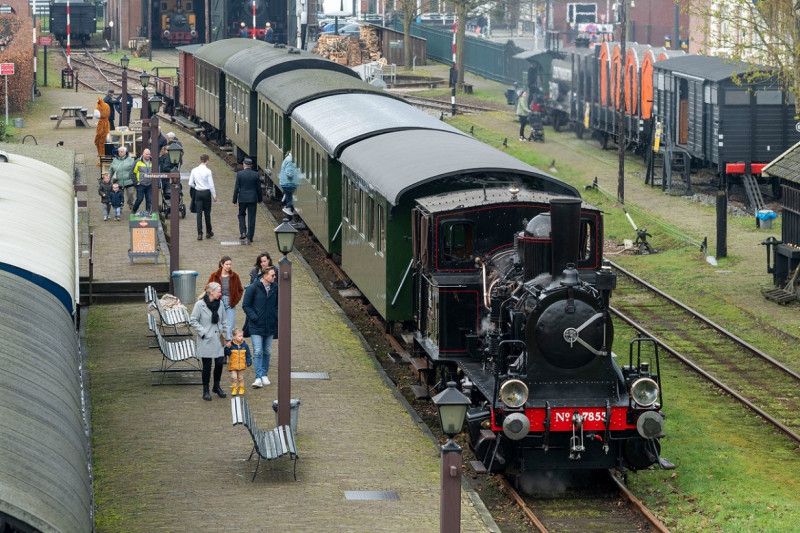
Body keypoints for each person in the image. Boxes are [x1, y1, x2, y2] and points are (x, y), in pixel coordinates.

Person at [190, 282, 230, 401]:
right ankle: (205, 389)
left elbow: (224, 321)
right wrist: (203, 332)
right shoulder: (200, 305)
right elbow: (193, 320)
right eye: (218, 291)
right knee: (207, 366)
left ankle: (216, 386)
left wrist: (227, 338)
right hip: (206, 339)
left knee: (219, 364)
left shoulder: (220, 303)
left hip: (218, 339)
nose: (220, 293)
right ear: (211, 292)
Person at [241, 268, 278, 387]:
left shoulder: (275, 288)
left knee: (267, 351)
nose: (274, 277)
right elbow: (246, 305)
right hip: (256, 326)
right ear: (265, 276)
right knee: (257, 351)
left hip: (270, 325)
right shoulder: (253, 288)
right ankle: (258, 377)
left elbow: (278, 304)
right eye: (272, 275)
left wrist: (275, 316)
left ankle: (264, 374)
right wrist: (254, 317)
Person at [207, 255, 244, 337]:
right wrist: (212, 299)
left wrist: (235, 300)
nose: (229, 266)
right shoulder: (214, 275)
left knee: (230, 326)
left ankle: (229, 346)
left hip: (230, 302)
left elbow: (240, 289)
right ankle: (220, 346)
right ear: (222, 264)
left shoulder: (235, 276)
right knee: (218, 324)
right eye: (227, 264)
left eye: (230, 264)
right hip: (218, 302)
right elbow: (207, 288)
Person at [232, 157, 262, 243]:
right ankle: (250, 237)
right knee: (251, 218)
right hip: (253, 199)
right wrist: (260, 199)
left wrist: (234, 200)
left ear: (244, 165)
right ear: (251, 166)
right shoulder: (255, 174)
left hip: (242, 199)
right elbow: (258, 189)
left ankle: (243, 232)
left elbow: (236, 188)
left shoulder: (240, 174)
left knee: (241, 215)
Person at [188, 153, 217, 240]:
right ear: (207, 161)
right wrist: (214, 195)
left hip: (198, 193)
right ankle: (209, 232)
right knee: (207, 213)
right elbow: (211, 185)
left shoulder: (194, 170)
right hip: (207, 193)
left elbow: (190, 183)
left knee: (199, 214)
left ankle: (199, 234)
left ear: (201, 160)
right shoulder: (208, 171)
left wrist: (196, 186)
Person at [225, 327, 251, 396]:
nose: (241, 337)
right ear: (234, 337)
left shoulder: (245, 345)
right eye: (239, 336)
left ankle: (241, 388)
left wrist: (249, 361)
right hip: (233, 365)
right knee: (234, 377)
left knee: (240, 377)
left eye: (242, 336)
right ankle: (234, 388)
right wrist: (227, 347)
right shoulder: (231, 345)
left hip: (241, 365)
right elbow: (227, 353)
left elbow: (248, 354)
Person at [109, 146, 136, 210]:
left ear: (125, 152)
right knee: (118, 195)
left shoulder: (130, 160)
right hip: (119, 180)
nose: (120, 153)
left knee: (130, 194)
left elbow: (135, 169)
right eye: (119, 152)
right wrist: (109, 178)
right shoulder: (115, 160)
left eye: (121, 152)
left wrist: (135, 178)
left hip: (129, 180)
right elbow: (111, 169)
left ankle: (130, 204)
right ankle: (119, 206)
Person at [132, 148, 154, 214]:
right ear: (143, 154)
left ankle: (147, 212)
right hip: (140, 184)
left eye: (149, 154)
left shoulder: (153, 162)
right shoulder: (137, 162)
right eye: (147, 154)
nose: (148, 155)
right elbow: (132, 173)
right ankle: (134, 209)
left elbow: (156, 172)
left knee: (149, 199)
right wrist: (136, 182)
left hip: (149, 184)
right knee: (139, 199)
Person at [279, 151, 299, 216]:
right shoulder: (291, 160)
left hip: (286, 183)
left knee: (289, 199)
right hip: (289, 183)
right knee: (298, 197)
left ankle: (289, 218)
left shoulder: (288, 159)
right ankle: (287, 207)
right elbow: (289, 173)